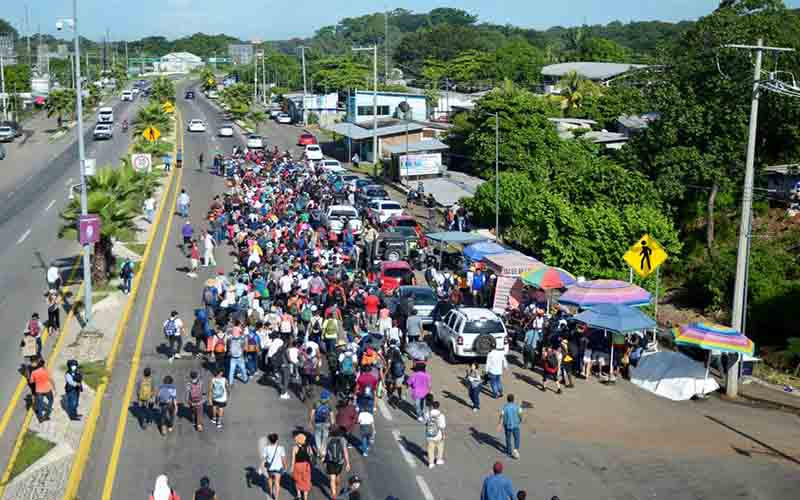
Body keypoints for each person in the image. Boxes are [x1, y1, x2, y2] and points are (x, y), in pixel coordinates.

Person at [324, 427, 351, 499]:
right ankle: (337, 484)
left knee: (332, 479)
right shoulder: (342, 440)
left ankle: (334, 494)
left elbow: (324, 451)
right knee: (338, 475)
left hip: (330, 461)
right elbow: (345, 452)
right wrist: (347, 463)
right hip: (340, 462)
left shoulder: (328, 439)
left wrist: (323, 458)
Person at [262, 433, 287, 500]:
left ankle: (271, 491)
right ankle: (276, 498)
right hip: (278, 468)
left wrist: (262, 467)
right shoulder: (281, 448)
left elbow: (264, 459)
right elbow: (283, 459)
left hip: (270, 468)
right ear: (277, 440)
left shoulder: (266, 448)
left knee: (270, 479)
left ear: (269, 440)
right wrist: (285, 466)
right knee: (277, 482)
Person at [498, 394, 523, 459]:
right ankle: (516, 449)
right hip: (515, 424)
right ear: (513, 399)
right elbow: (520, 414)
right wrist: (520, 419)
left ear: (507, 399)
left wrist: (500, 424)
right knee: (517, 438)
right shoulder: (516, 406)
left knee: (508, 438)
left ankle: (509, 451)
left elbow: (501, 415)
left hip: (507, 425)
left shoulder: (505, 407)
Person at [28, 357, 53, 422]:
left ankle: (40, 418)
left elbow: (31, 381)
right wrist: (54, 388)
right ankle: (47, 413)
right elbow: (50, 379)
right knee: (51, 400)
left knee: (39, 404)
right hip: (47, 389)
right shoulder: (45, 370)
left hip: (39, 390)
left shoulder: (33, 372)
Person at [290, 433, 313, 500]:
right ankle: (305, 497)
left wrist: (292, 468)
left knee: (298, 480)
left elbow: (293, 459)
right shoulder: (308, 447)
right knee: (306, 480)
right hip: (306, 465)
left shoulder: (295, 448)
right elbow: (311, 456)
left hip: (297, 466)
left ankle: (299, 495)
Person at [310, 390, 333, 455]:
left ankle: (319, 450)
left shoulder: (316, 403)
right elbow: (331, 415)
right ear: (327, 397)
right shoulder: (329, 404)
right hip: (326, 423)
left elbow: (312, 413)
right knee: (325, 437)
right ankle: (323, 451)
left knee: (317, 436)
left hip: (318, 423)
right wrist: (332, 424)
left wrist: (311, 422)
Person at [425, 400, 446, 468]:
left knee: (430, 449)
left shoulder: (428, 413)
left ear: (432, 406)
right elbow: (442, 426)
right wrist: (443, 434)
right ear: (438, 407)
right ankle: (439, 460)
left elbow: (425, 422)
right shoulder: (441, 415)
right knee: (440, 447)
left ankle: (431, 463)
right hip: (438, 434)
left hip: (429, 434)